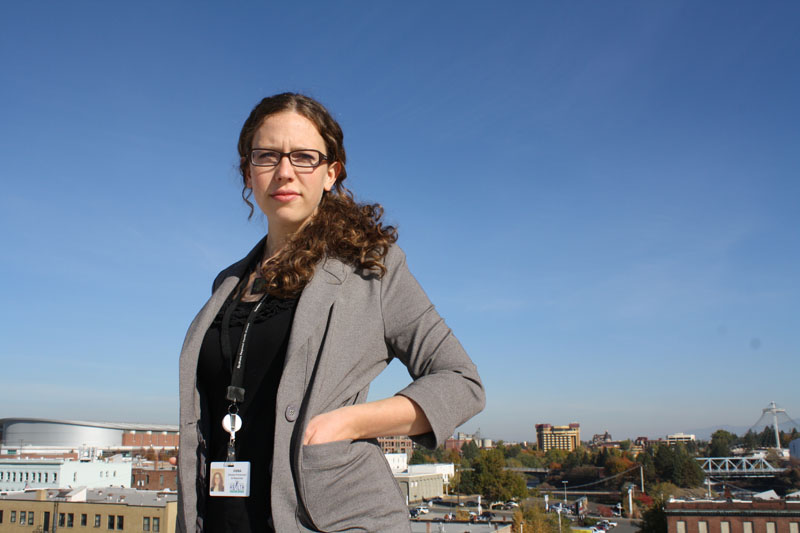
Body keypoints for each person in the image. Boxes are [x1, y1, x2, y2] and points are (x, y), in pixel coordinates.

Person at [177, 92, 485, 533]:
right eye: (267, 156)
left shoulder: (372, 268)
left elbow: (462, 382)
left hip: (331, 519)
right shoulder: (226, 283)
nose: (285, 171)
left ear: (330, 173)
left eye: (304, 157)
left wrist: (349, 421)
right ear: (248, 172)